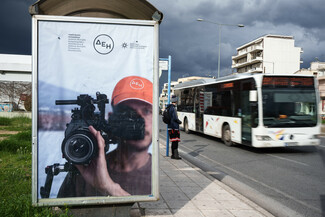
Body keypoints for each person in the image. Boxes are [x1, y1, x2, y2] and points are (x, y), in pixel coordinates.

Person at [57, 76, 153, 197]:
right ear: (112, 118)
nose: (138, 121)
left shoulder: (154, 175)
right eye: (128, 112)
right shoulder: (87, 168)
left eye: (147, 111)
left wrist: (109, 187)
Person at [167, 95, 182, 160]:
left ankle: (173, 154)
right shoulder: (173, 108)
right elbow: (175, 118)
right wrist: (180, 122)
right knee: (175, 141)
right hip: (174, 127)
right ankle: (175, 155)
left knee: (173, 141)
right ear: (175, 101)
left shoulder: (169, 107)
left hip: (170, 127)